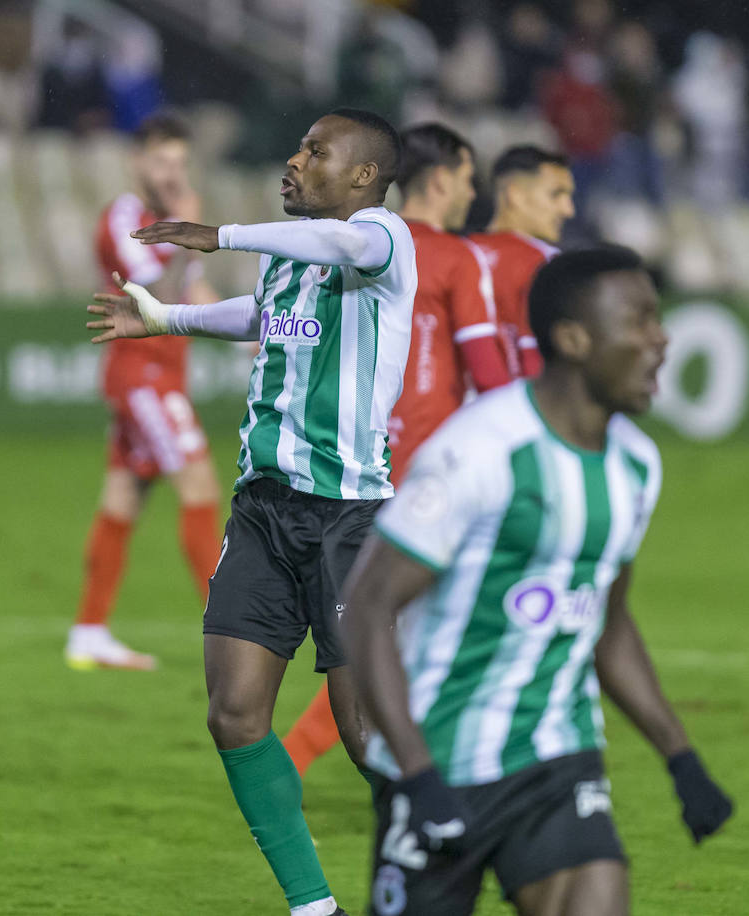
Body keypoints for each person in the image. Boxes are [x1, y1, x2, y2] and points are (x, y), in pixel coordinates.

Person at [88, 107, 417, 916]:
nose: (296, 158)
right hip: (265, 509)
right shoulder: (291, 258)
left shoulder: (382, 239)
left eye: (317, 151)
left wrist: (222, 234)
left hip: (352, 518)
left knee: (366, 735)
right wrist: (166, 319)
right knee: (235, 714)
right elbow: (269, 322)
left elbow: (343, 246)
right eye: (299, 144)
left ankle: (437, 870)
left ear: (365, 176)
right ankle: (314, 906)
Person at [345, 247, 734, 916]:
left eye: (658, 320)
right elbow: (366, 607)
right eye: (639, 322)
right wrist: (416, 773)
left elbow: (607, 621)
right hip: (441, 761)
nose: (661, 340)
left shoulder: (637, 468)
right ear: (573, 339)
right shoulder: (479, 454)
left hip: (558, 756)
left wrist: (681, 758)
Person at [282, 123, 515, 778]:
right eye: (469, 178)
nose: (473, 193)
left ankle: (414, 773)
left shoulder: (351, 246)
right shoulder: (458, 258)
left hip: (346, 465)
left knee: (379, 639)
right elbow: (490, 377)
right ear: (442, 178)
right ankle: (438, 777)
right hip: (429, 479)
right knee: (423, 640)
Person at [67, 113, 223, 671]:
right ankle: (228, 631)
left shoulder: (163, 219)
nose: (172, 173)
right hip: (142, 376)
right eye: (162, 161)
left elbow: (189, 286)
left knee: (123, 498)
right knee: (199, 482)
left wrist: (248, 339)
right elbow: (148, 286)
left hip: (160, 375)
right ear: (137, 161)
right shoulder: (125, 217)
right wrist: (189, 230)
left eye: (180, 163)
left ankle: (88, 631)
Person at [470, 146, 575, 378]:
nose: (569, 210)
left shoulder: (457, 252)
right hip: (516, 402)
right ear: (515, 195)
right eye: (556, 195)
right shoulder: (547, 263)